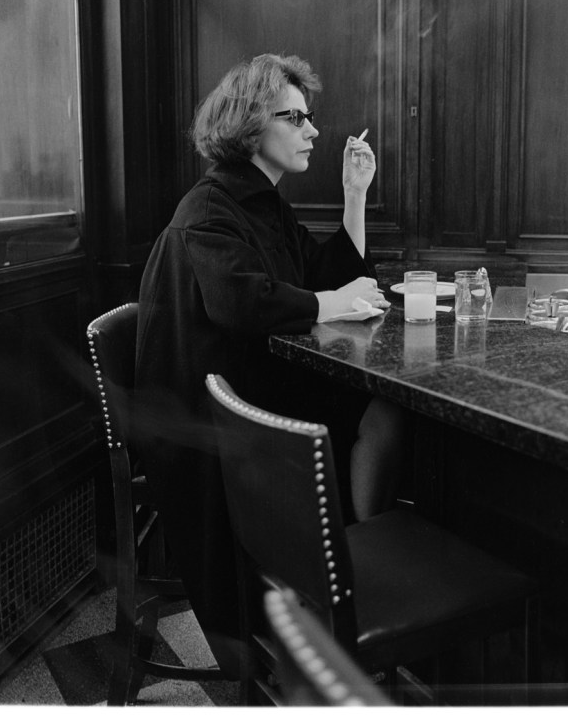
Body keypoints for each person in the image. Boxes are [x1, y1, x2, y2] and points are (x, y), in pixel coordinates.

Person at [133, 53, 407, 677]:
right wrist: (324, 303)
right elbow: (239, 302)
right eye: (297, 118)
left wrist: (354, 198)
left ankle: (356, 559)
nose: (313, 131)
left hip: (251, 392)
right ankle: (352, 572)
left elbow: (321, 277)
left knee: (383, 409)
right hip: (212, 421)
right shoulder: (210, 207)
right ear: (252, 122)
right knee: (379, 411)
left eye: (311, 118)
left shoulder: (263, 201)